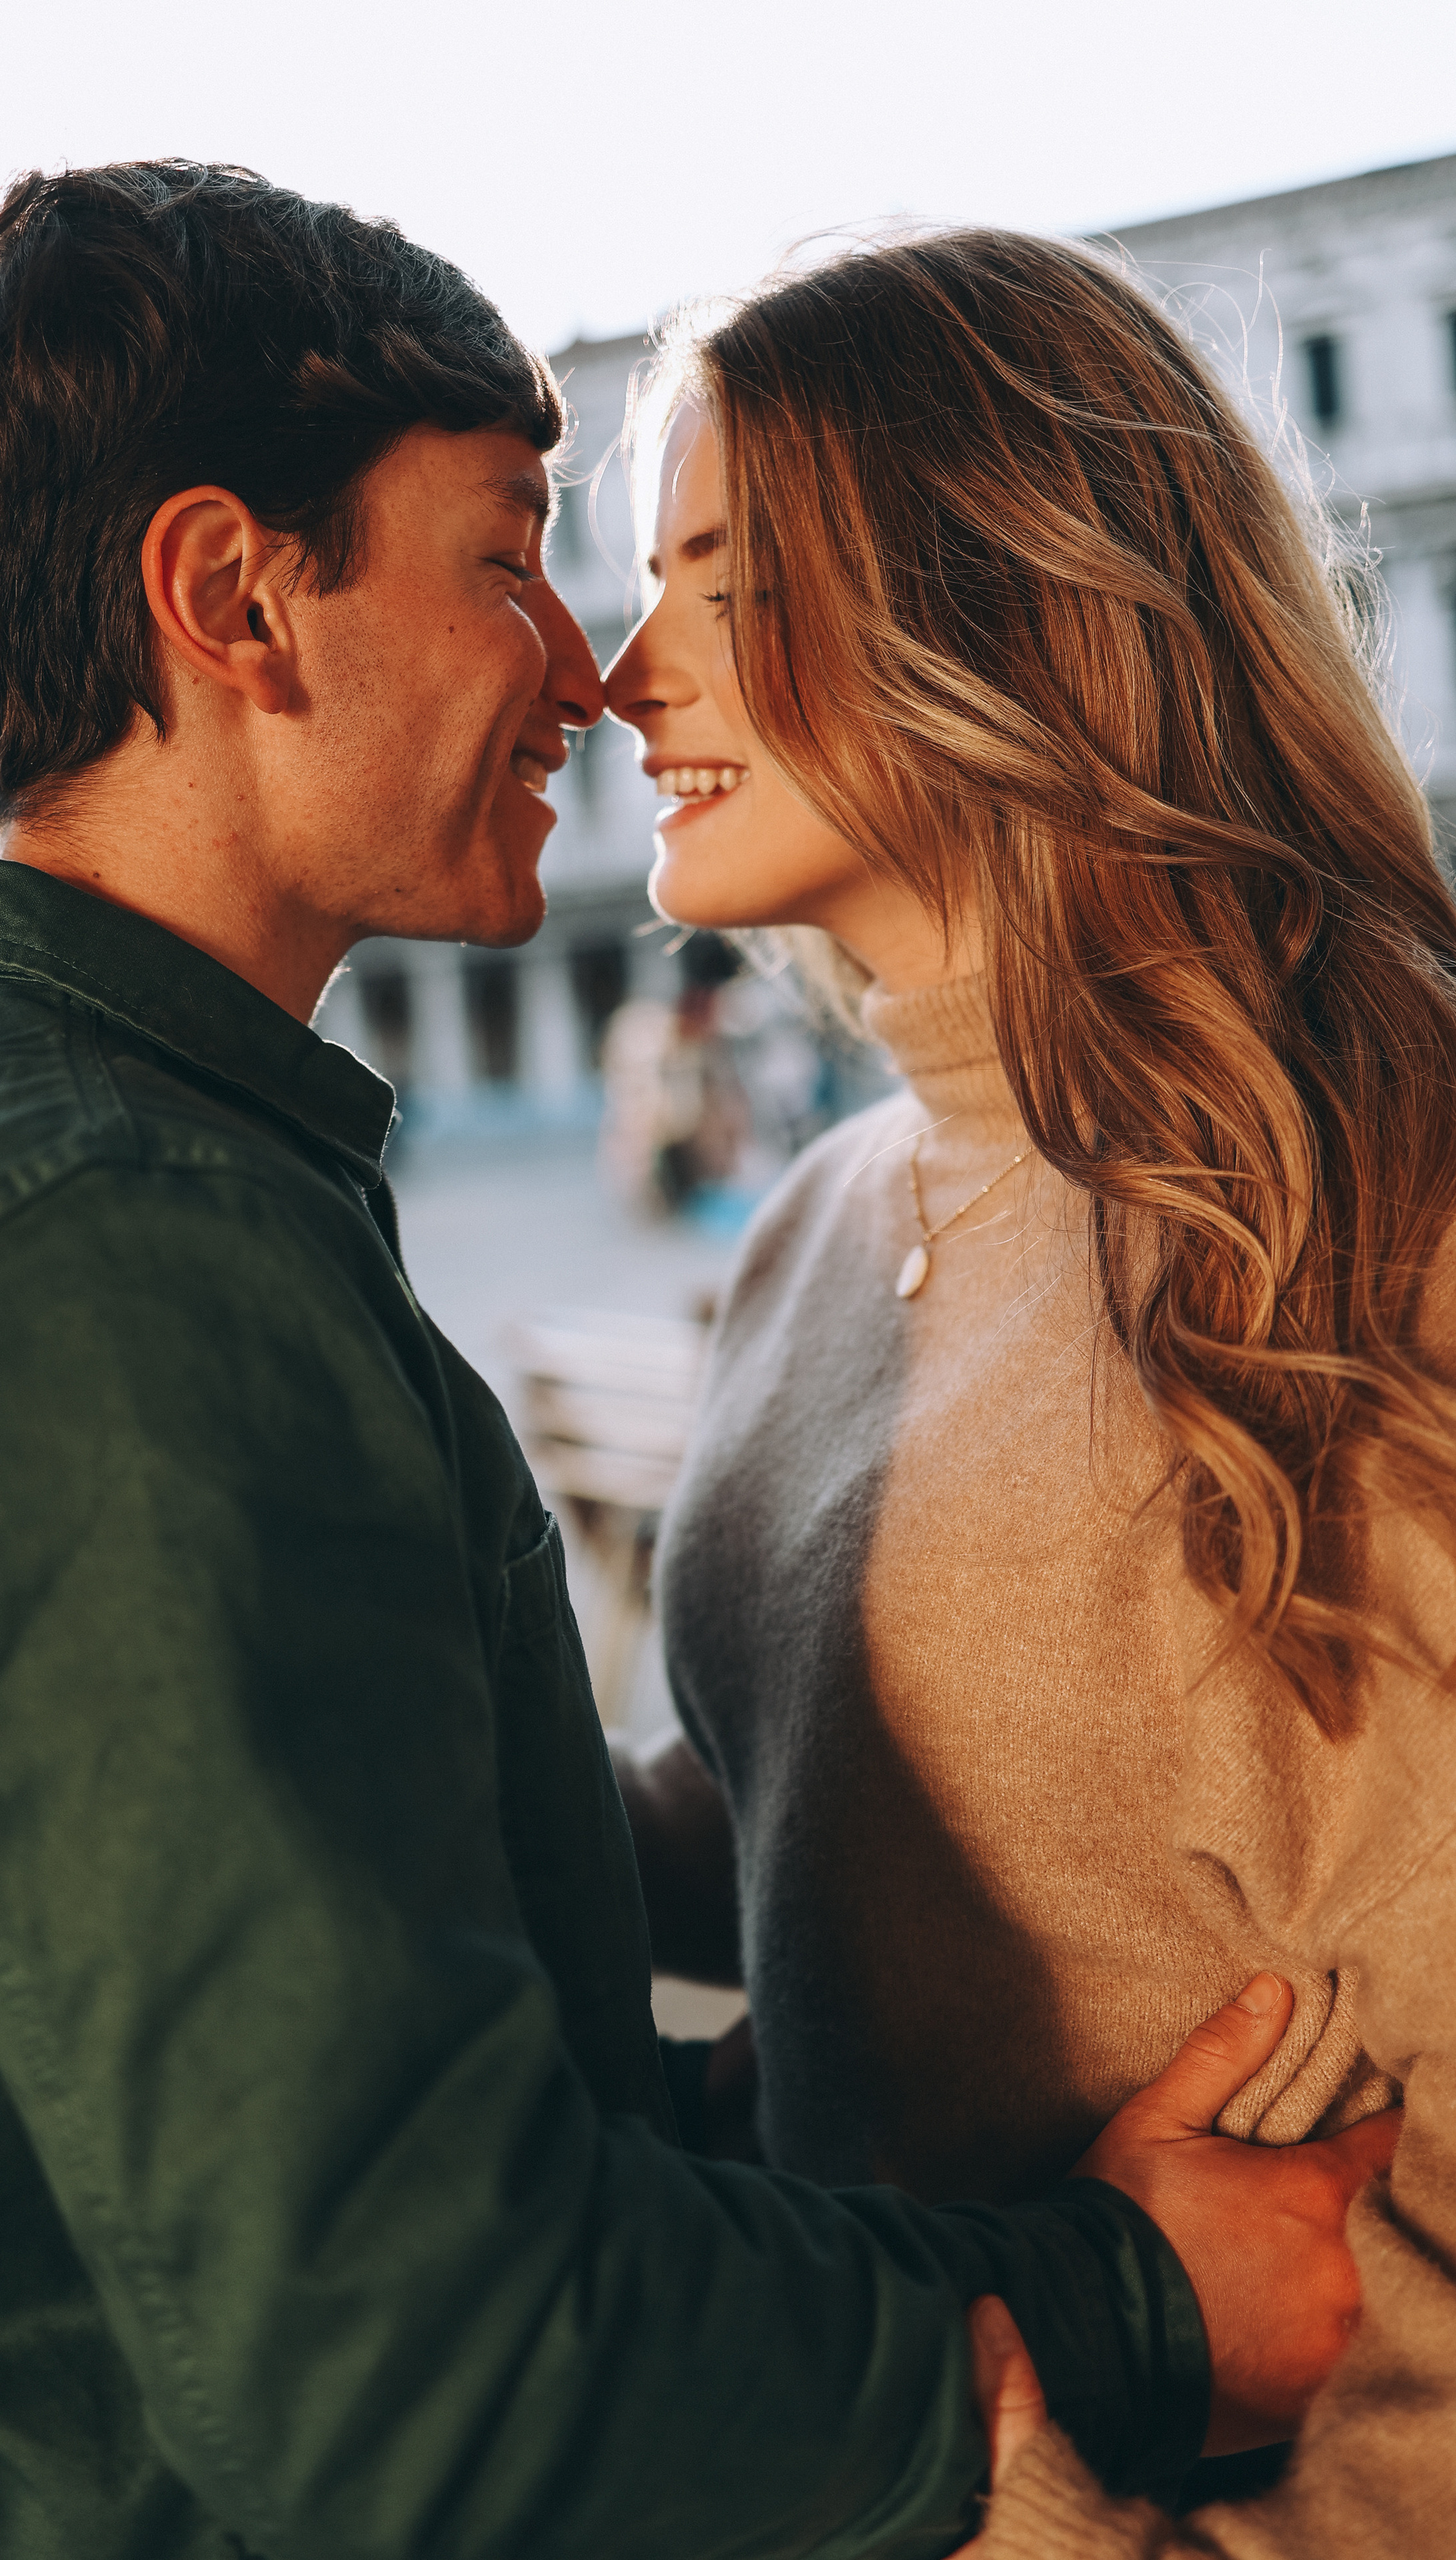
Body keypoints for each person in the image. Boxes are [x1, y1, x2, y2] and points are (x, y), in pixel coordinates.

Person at [0, 166, 1376, 2560]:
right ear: (232, 598)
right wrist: (1121, 2301)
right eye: (509, 557)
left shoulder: (108, 1166)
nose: (585, 664)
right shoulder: (100, 1255)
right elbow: (425, 2348)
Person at [603, 227, 1453, 2550]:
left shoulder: (1379, 1227)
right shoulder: (823, 1217)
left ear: (1002, 591)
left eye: (720, 584)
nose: (623, 675)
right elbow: (800, 1840)